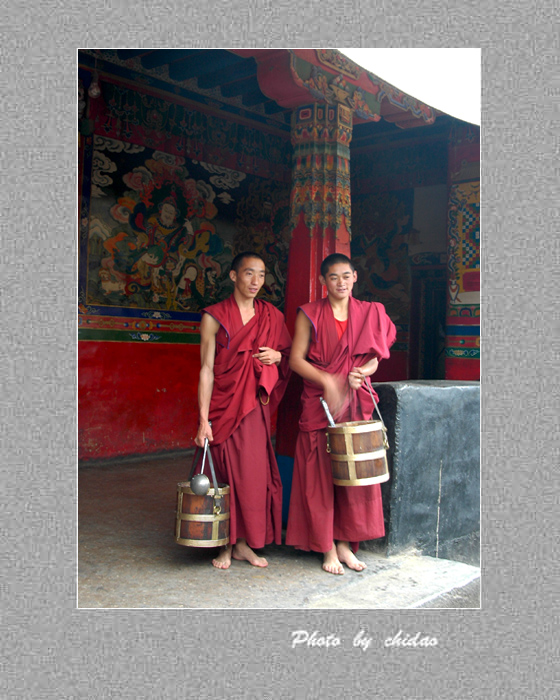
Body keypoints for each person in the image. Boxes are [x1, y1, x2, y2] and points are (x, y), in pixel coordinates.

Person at [285, 253, 396, 575]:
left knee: (353, 476)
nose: (341, 282)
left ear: (355, 277)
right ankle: (327, 547)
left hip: (357, 401)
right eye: (334, 277)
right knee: (319, 475)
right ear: (323, 281)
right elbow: (295, 359)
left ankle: (346, 543)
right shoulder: (309, 314)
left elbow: (376, 358)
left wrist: (362, 371)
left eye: (346, 276)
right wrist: (328, 382)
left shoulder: (371, 312)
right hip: (320, 403)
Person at [195, 252, 291, 569]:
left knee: (251, 477)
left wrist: (277, 357)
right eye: (249, 274)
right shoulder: (214, 317)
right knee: (221, 478)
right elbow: (206, 369)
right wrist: (202, 421)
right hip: (223, 410)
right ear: (234, 276)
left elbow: (291, 357)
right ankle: (223, 545)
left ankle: (244, 544)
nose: (255, 282)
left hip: (253, 411)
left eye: (261, 275)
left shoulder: (271, 316)